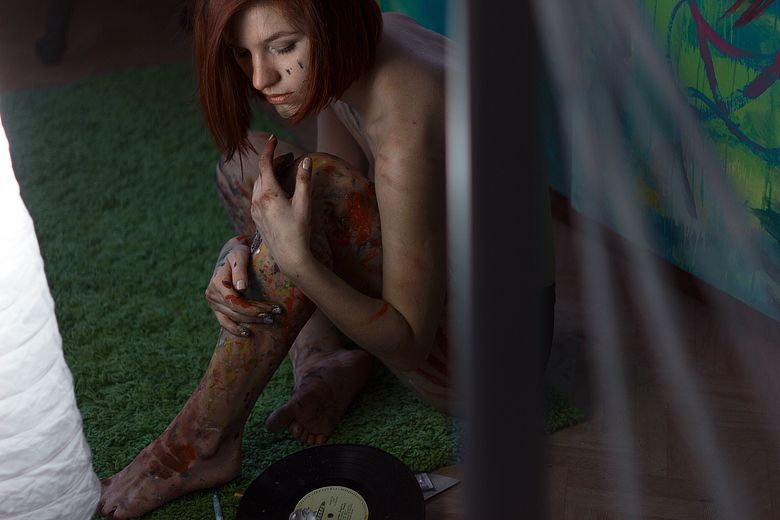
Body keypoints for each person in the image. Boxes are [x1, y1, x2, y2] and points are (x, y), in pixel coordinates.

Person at [97, 1, 459, 517]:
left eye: (283, 47)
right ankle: (321, 358)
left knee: (316, 189)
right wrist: (241, 247)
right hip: (428, 277)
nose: (261, 78)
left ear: (331, 23)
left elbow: (408, 343)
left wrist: (294, 262)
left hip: (475, 357)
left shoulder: (405, 119)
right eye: (243, 53)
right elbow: (340, 190)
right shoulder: (356, 50)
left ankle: (200, 443)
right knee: (246, 165)